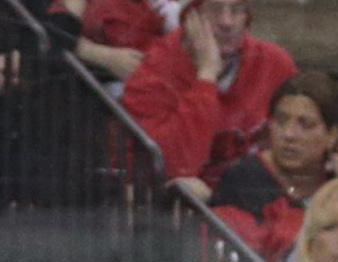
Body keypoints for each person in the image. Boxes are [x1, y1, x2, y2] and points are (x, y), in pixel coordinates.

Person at [210, 71, 338, 262]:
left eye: (306, 125)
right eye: (281, 121)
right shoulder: (243, 180)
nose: (289, 134)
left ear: (332, 134)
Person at [121, 0, 297, 196]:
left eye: (237, 10)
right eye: (215, 9)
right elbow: (174, 170)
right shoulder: (151, 76)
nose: (227, 22)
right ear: (189, 19)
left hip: (262, 207)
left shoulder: (276, 64)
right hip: (182, 215)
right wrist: (206, 76)